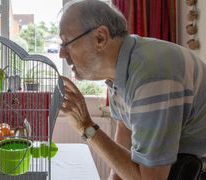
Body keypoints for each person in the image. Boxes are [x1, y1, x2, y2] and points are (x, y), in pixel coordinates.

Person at [58, 0, 206, 179]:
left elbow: (150, 179)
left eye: (67, 43)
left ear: (100, 38)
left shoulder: (151, 74)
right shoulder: (122, 70)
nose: (61, 54)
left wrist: (86, 127)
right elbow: (125, 141)